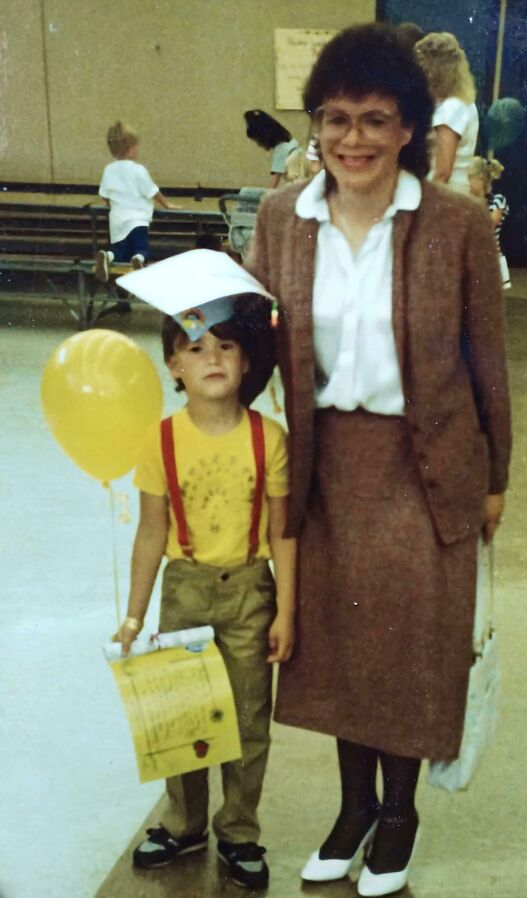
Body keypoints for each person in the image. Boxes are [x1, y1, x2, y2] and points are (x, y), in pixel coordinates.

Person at [246, 22, 511, 897]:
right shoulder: (284, 219)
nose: (351, 139)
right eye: (335, 119)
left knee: (409, 653)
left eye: (374, 119)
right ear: (316, 124)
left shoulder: (456, 225)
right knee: (339, 654)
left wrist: (497, 478)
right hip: (327, 466)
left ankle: (398, 815)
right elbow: (252, 337)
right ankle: (352, 809)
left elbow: (487, 361)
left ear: (409, 127)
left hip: (425, 463)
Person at [113, 251, 296, 891]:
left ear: (245, 362)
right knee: (183, 716)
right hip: (184, 592)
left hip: (250, 592)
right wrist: (135, 613)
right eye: (194, 347)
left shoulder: (268, 439)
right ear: (173, 365)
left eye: (224, 346)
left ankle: (239, 830)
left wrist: (289, 612)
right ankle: (184, 822)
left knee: (248, 721)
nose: (211, 357)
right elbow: (150, 532)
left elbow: (283, 532)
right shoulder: (159, 440)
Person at [96, 121, 179, 283]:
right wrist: (167, 204)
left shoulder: (109, 169)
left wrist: (110, 204)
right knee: (141, 247)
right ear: (132, 149)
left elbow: (104, 195)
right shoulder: (138, 170)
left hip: (117, 220)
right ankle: (139, 260)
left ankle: (108, 256)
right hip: (138, 220)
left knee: (119, 251)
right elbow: (152, 191)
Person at [414, 31, 479, 192]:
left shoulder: (450, 108)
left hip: (445, 194)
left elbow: (443, 172)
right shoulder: (465, 103)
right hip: (457, 192)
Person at [468, 156, 511, 289]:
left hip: (491, 259)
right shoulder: (470, 201)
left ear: (480, 177)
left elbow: (490, 223)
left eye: (470, 178)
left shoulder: (498, 200)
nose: (467, 183)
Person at [244, 109, 300, 188]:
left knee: (245, 192)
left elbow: (274, 181)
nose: (258, 145)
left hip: (295, 189)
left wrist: (266, 198)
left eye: (258, 142)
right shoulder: (293, 143)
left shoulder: (281, 151)